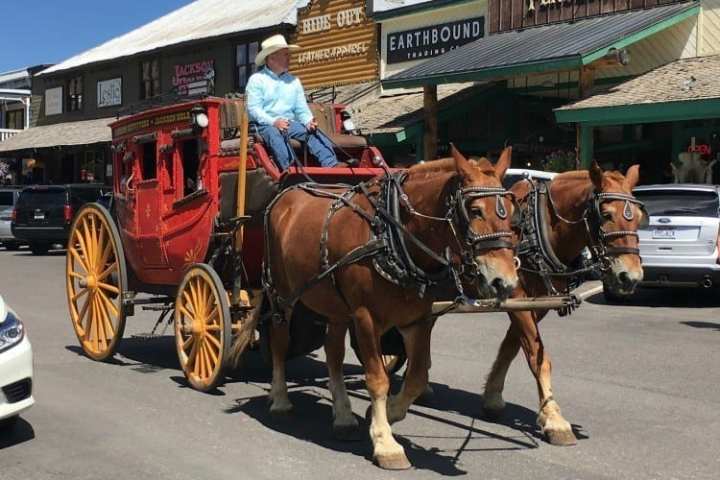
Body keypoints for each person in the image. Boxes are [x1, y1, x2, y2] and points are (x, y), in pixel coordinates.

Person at [245, 34, 342, 170]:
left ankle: (331, 165)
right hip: (264, 125)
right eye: (285, 55)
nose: (289, 58)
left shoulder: (294, 81)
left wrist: (309, 121)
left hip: (289, 123)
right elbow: (254, 110)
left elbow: (301, 109)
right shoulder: (257, 80)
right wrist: (274, 122)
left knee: (313, 133)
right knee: (274, 135)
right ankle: (290, 170)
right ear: (271, 58)